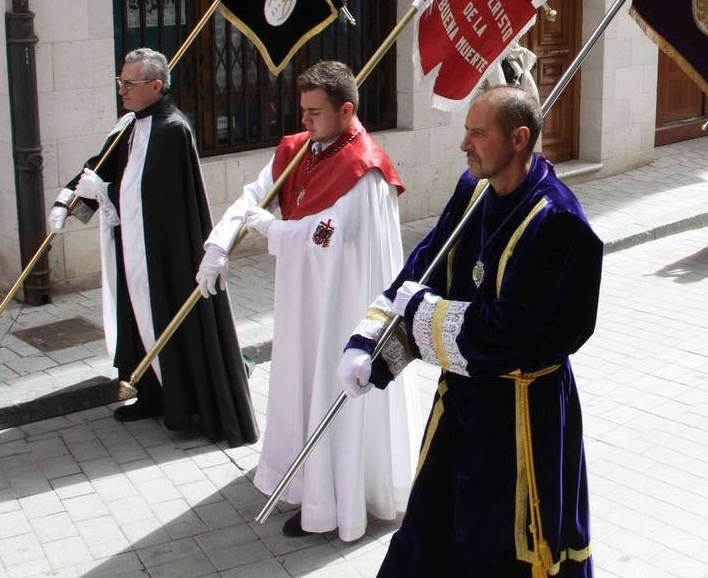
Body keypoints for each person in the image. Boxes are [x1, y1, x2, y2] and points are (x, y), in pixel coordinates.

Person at [341, 86, 602, 576]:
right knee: (431, 530)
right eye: (467, 131)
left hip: (522, 419)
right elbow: (425, 268)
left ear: (519, 138)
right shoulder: (473, 189)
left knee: (499, 548)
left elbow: (503, 335)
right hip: (460, 404)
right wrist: (370, 347)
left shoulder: (557, 222)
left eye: (478, 133)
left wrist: (418, 311)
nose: (465, 144)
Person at [198, 61, 418, 541]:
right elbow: (254, 195)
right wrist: (219, 242)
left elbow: (328, 236)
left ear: (346, 110)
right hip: (302, 296)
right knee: (299, 383)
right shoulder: (299, 150)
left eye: (315, 113)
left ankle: (336, 499)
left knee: (328, 385)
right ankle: (300, 482)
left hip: (344, 303)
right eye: (301, 111)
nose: (305, 121)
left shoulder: (366, 167)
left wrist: (270, 228)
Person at [47, 49, 256, 444]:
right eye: (120, 82)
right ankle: (148, 392)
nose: (122, 91)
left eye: (130, 84)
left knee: (163, 318)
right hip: (131, 246)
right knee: (133, 317)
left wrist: (104, 191)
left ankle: (180, 404)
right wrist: (70, 200)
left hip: (164, 253)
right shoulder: (130, 123)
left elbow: (154, 198)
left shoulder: (173, 129)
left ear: (156, 86)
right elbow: (102, 165)